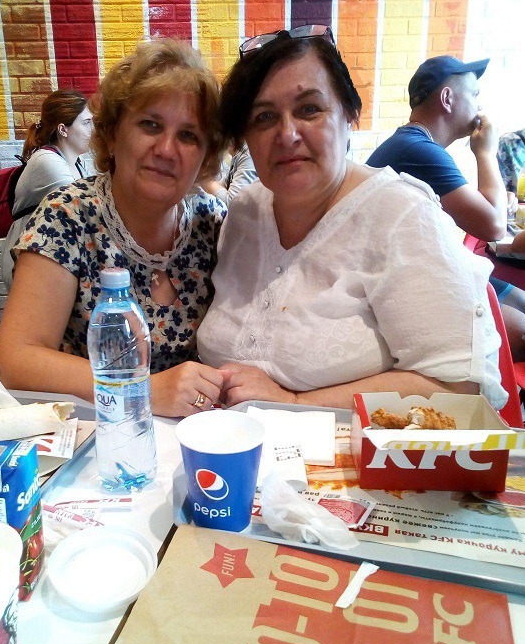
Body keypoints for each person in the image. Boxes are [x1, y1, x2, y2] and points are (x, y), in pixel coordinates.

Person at [196, 26, 506, 410]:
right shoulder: (245, 211)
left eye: (309, 109)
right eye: (264, 116)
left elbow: (459, 389)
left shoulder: (401, 215)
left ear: (348, 115)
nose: (287, 134)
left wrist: (293, 401)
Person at [0, 39, 227, 417]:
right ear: (113, 133)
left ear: (205, 156)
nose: (167, 149)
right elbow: (16, 359)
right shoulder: (67, 215)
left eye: (188, 135)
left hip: (192, 431)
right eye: (150, 125)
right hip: (93, 431)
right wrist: (142, 389)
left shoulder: (213, 223)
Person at [366, 56, 525, 361]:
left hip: (430, 269)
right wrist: (486, 152)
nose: (479, 106)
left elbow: (486, 212)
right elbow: (493, 225)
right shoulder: (416, 149)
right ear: (448, 99)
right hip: (408, 287)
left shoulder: (415, 144)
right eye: (474, 95)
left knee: (521, 301)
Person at [1, 90, 93, 288]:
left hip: (50, 253)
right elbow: (84, 209)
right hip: (26, 261)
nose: (93, 130)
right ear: (63, 129)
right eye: (86, 123)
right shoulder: (48, 161)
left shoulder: (78, 162)